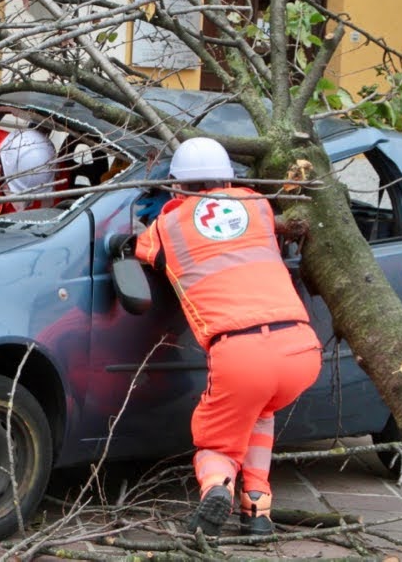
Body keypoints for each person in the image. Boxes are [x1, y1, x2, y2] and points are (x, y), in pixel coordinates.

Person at [114, 137, 322, 537]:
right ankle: (258, 511)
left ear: (177, 185)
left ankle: (217, 491)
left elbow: (137, 249)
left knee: (218, 443)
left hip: (241, 351)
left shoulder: (168, 227)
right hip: (300, 347)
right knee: (258, 414)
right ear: (227, 177)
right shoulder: (257, 205)